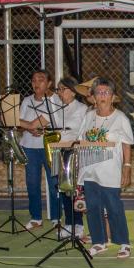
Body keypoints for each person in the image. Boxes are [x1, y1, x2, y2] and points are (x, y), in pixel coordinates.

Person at [77, 78, 134, 258]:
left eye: (106, 92)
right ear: (93, 97)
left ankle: (124, 242)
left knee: (114, 207)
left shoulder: (120, 118)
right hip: (90, 169)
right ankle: (99, 241)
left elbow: (126, 144)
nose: (102, 95)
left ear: (112, 96)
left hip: (110, 171)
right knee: (93, 206)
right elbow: (81, 140)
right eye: (99, 92)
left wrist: (127, 167)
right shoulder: (88, 117)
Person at [18, 69, 61, 230]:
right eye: (34, 80)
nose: (36, 83)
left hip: (50, 147)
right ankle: (36, 216)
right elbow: (18, 122)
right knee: (32, 183)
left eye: (41, 80)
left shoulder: (54, 100)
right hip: (30, 147)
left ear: (49, 83)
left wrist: (30, 124)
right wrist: (29, 128)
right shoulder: (27, 101)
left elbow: (52, 121)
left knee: (54, 183)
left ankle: (56, 216)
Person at [53, 76, 91, 240]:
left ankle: (78, 225)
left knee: (75, 191)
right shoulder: (57, 109)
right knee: (63, 189)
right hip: (58, 151)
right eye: (58, 90)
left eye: (63, 89)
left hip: (74, 152)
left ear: (73, 92)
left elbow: (81, 132)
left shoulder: (82, 109)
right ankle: (69, 223)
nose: (60, 93)